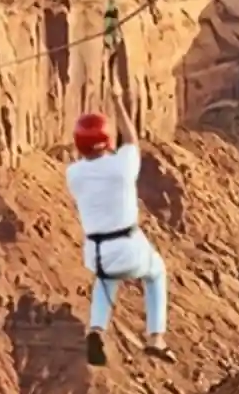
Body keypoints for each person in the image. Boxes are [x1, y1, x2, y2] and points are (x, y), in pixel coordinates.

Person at [64, 99, 174, 366]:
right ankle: (156, 338)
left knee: (106, 279)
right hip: (127, 246)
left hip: (96, 252)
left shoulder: (73, 173)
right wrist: (118, 101)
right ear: (107, 140)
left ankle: (97, 329)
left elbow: (87, 161)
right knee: (156, 273)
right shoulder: (122, 166)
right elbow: (132, 139)